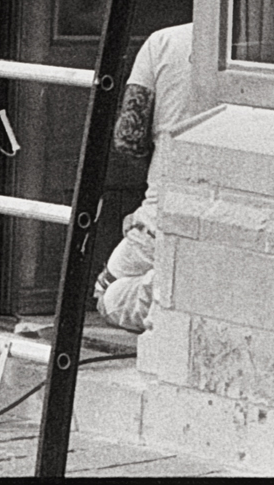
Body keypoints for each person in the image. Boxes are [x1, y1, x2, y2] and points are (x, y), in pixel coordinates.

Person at [92, 22, 194, 333]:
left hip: (159, 215)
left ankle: (168, 286)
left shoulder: (163, 41)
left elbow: (128, 138)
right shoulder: (268, 48)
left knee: (103, 292)